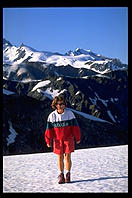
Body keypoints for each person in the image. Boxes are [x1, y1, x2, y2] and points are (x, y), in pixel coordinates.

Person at [45, 95, 81, 184]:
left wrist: (77, 137)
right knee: (59, 157)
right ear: (55, 105)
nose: (60, 105)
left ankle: (68, 174)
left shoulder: (70, 114)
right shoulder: (52, 116)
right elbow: (49, 130)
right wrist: (48, 140)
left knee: (67, 157)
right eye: (58, 104)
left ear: (64, 105)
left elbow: (75, 127)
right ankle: (61, 175)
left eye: (62, 104)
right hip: (57, 140)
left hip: (68, 139)